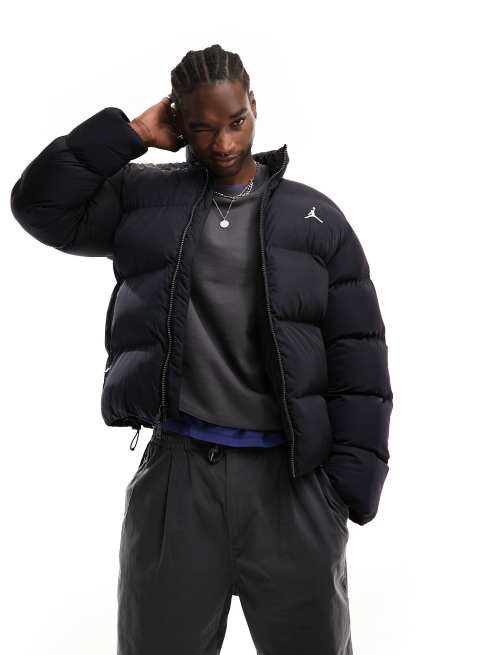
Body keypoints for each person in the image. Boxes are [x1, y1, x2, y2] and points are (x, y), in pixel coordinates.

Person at [10, 43, 393, 655]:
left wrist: (344, 493)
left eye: (236, 121)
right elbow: (38, 204)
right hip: (178, 478)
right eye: (203, 127)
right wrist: (132, 134)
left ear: (254, 106)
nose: (223, 143)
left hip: (291, 484)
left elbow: (359, 355)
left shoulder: (315, 218)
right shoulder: (144, 199)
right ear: (179, 123)